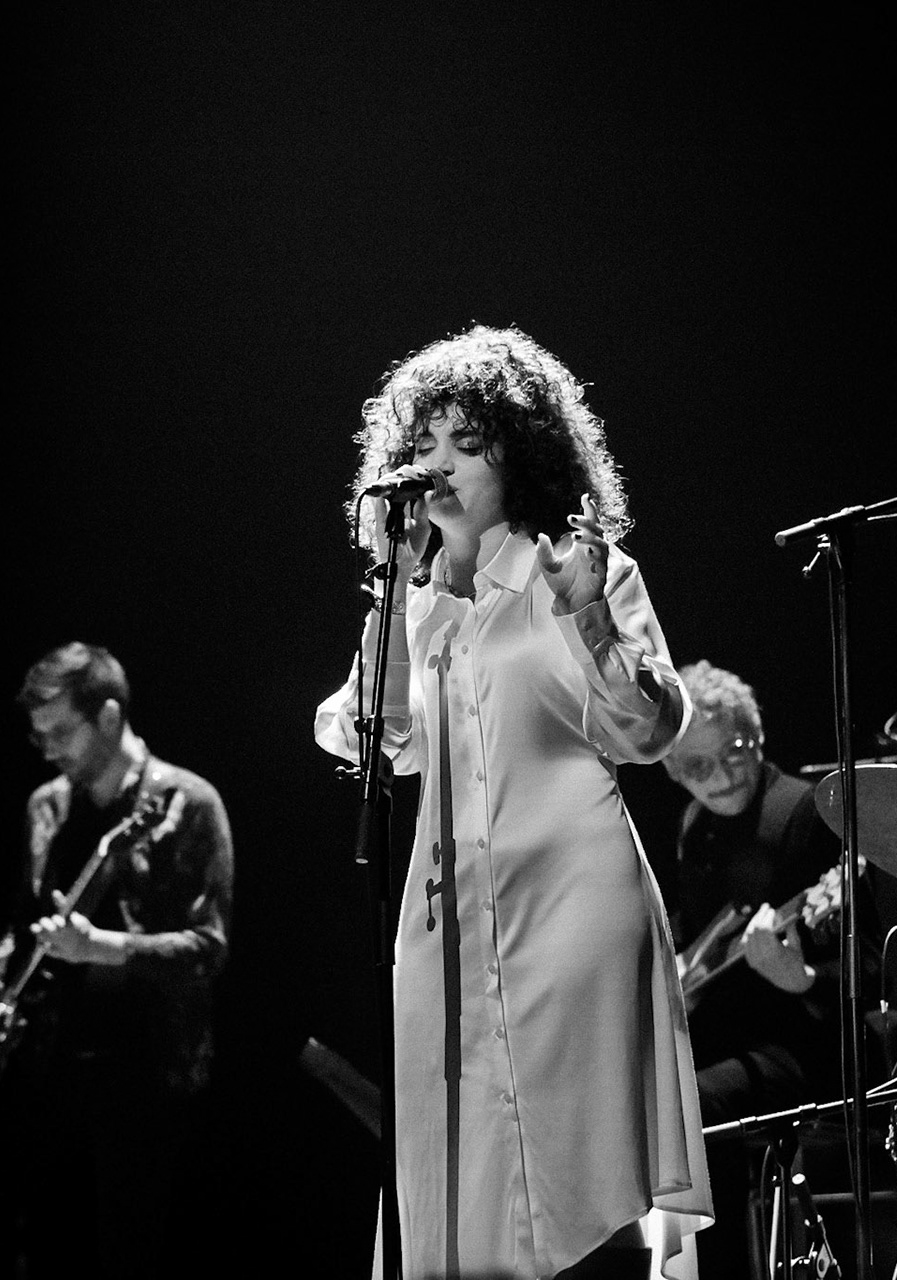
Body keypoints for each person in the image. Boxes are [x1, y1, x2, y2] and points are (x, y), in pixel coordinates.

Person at [313, 325, 710, 1278]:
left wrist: (588, 615)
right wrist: (394, 588)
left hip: (576, 903)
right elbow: (365, 733)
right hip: (444, 917)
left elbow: (650, 733)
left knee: (584, 1168)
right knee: (457, 1179)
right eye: (423, 445)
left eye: (467, 442)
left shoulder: (575, 568)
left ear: (520, 454)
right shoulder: (410, 604)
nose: (438, 465)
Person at [0, 642, 234, 1280]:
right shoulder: (46, 806)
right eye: (37, 735)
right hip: (48, 1072)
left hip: (148, 1077)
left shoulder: (188, 803)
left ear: (108, 716)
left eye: (60, 732)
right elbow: (24, 930)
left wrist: (103, 947)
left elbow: (208, 949)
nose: (46, 750)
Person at [664, 660, 845, 1278]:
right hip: (725, 1039)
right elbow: (692, 936)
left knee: (688, 1105)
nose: (719, 776)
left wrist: (801, 978)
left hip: (804, 1046)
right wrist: (680, 976)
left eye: (734, 752)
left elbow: (871, 964)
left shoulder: (808, 812)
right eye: (696, 766)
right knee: (632, 1087)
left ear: (757, 736)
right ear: (671, 769)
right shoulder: (693, 825)